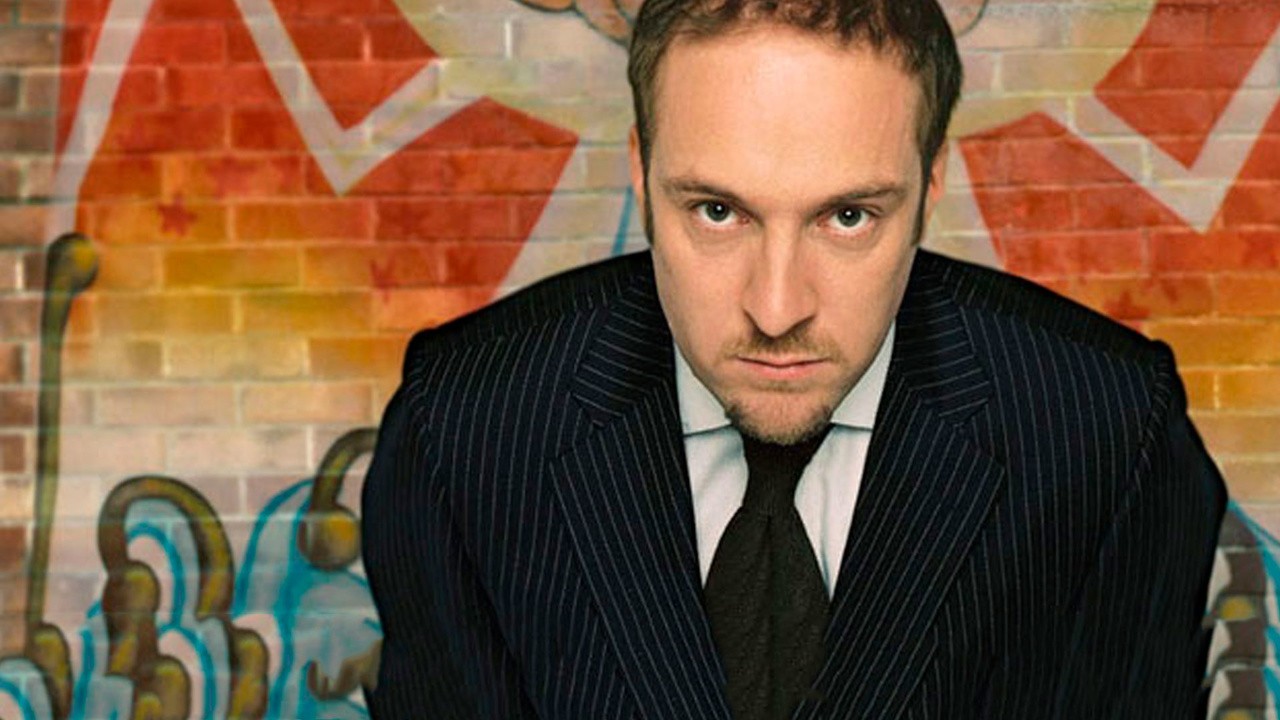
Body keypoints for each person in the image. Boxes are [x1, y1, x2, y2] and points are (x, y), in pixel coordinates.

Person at [361, 0, 1228, 716]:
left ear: (931, 185)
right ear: (640, 170)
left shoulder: (1107, 434)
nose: (776, 310)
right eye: (716, 212)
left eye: (847, 217)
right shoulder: (464, 428)